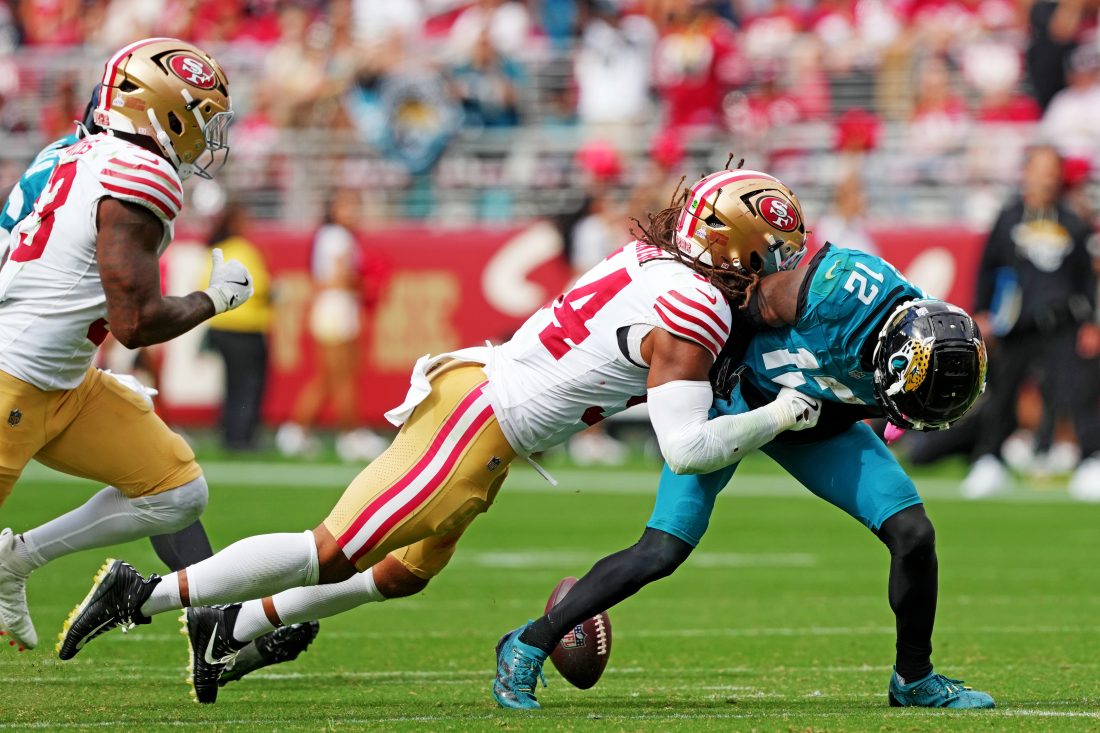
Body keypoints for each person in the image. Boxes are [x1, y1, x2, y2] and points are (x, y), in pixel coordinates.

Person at [58, 169, 819, 706]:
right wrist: (783, 413)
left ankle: (238, 627)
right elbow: (684, 448)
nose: (781, 268)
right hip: (484, 416)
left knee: (403, 573)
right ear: (734, 249)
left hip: (491, 408)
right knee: (331, 550)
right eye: (774, 251)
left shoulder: (657, 259)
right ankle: (143, 595)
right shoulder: (697, 308)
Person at [492, 243, 992, 710]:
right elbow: (740, 303)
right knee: (662, 549)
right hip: (734, 402)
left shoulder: (932, 348)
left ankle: (913, 678)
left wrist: (841, 407)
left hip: (814, 421)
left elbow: (882, 396)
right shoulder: (837, 295)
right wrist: (717, 392)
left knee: (912, 533)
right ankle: (528, 643)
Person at [0, 40, 312, 685]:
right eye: (201, 117)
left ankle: (15, 559)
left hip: (62, 380)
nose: (208, 135)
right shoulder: (137, 172)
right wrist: (215, 298)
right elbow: (136, 322)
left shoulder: (69, 152)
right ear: (164, 111)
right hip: (14, 378)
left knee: (174, 491)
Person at [962, 145, 1100, 500]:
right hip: (1016, 325)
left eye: (1052, 170)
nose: (1047, 178)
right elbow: (987, 268)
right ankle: (989, 460)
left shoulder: (1072, 222)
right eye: (1040, 170)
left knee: (1079, 392)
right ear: (1026, 173)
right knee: (1001, 392)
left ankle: (1090, 460)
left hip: (1063, 323)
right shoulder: (1008, 219)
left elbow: (1087, 279)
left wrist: (1091, 322)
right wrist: (981, 312)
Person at [275, 189, 388, 463]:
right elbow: (337, 277)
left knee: (327, 378)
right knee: (344, 376)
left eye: (356, 206)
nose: (353, 213)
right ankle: (351, 435)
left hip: (334, 308)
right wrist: (365, 283)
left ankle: (296, 432)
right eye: (347, 207)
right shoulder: (338, 236)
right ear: (334, 210)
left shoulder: (331, 236)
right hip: (337, 309)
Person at [201, 201, 272, 452]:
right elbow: (259, 288)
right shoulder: (244, 249)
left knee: (232, 385)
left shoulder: (217, 250)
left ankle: (230, 432)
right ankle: (243, 437)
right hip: (246, 328)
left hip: (220, 325)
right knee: (248, 385)